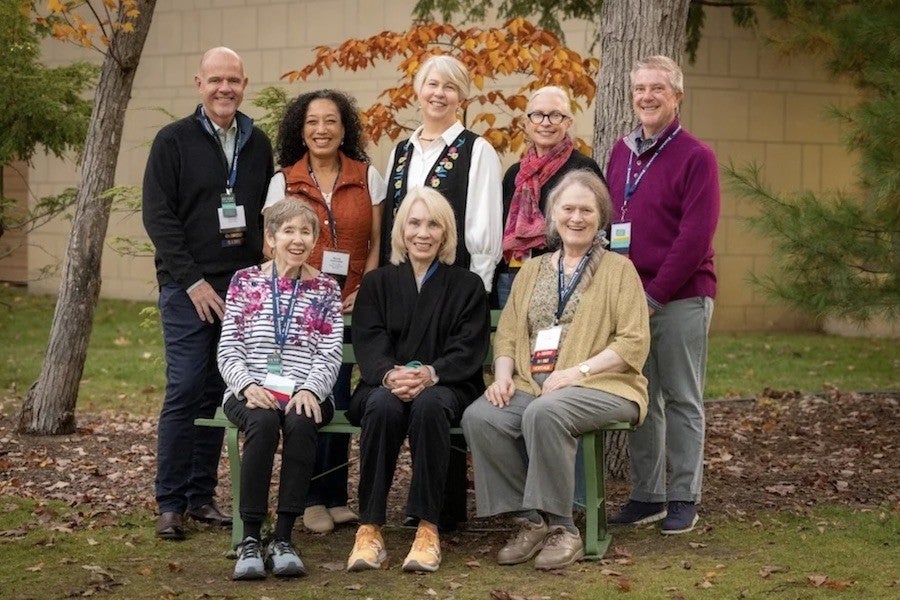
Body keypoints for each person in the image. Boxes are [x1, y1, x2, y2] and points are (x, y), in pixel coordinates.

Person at [462, 170, 649, 570]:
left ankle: (564, 529)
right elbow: (510, 332)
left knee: (546, 412)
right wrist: (505, 375)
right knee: (481, 416)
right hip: (534, 383)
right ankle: (530, 521)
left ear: (601, 217)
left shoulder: (619, 270)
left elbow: (633, 343)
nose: (576, 218)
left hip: (605, 383)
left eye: (586, 210)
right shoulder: (532, 270)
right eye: (568, 209)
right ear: (552, 216)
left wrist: (577, 371)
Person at [142, 47, 274, 541]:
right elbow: (159, 217)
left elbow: (264, 215)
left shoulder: (257, 142)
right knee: (185, 387)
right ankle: (170, 502)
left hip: (240, 287)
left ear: (245, 84)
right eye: (216, 79)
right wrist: (192, 281)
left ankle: (200, 496)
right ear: (199, 83)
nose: (225, 88)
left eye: (233, 81)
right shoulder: (172, 140)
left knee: (220, 391)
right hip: (186, 286)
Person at [380, 53, 502, 530]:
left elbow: (484, 230)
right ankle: (416, 504)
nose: (438, 94)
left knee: (443, 387)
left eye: (449, 87)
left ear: (462, 97)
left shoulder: (478, 150)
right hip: (407, 287)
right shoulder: (400, 151)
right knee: (410, 386)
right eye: (431, 84)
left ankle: (444, 510)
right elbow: (397, 223)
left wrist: (477, 292)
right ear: (418, 90)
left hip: (457, 288)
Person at [345, 187, 490, 573]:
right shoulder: (377, 284)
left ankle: (428, 528)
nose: (422, 233)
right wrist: (392, 375)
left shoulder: (467, 286)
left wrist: (429, 374)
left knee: (429, 405)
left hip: (447, 386)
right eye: (414, 223)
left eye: (432, 224)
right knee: (380, 405)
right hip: (384, 385)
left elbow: (467, 348)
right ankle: (369, 528)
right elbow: (370, 341)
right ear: (401, 230)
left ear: (446, 233)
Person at [605, 55, 719, 535]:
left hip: (680, 297)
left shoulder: (696, 156)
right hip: (632, 299)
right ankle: (647, 495)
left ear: (677, 96)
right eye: (640, 89)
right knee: (640, 395)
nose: (647, 97)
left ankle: (683, 496)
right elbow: (612, 222)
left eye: (657, 89)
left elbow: (694, 237)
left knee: (681, 397)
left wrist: (654, 295)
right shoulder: (621, 151)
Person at [264, 89, 387, 534]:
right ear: (301, 128)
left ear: (344, 128)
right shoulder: (285, 180)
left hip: (357, 304)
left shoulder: (367, 175)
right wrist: (311, 290)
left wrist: (367, 287)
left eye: (331, 121)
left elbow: (376, 241)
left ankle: (336, 496)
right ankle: (314, 496)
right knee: (319, 391)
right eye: (313, 122)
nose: (322, 130)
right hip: (305, 304)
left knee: (346, 395)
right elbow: (274, 245)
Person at [217, 200, 343, 580]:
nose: (297, 239)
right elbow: (229, 347)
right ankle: (251, 539)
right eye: (288, 231)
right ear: (270, 238)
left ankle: (285, 538)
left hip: (308, 390)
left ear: (315, 240)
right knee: (262, 421)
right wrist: (247, 385)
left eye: (306, 232)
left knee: (303, 422)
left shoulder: (325, 288)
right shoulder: (244, 280)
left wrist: (311, 390)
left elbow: (331, 351)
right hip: (251, 390)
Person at [498, 85, 605, 307]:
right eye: (537, 115)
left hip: (567, 277)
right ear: (527, 123)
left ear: (568, 122)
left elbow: (602, 226)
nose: (545, 122)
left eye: (555, 115)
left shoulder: (583, 169)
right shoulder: (514, 175)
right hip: (514, 277)